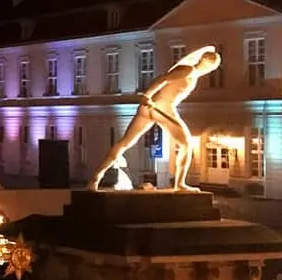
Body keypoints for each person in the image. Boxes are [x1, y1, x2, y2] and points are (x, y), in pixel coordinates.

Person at [89, 45, 221, 192]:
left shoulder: (192, 74)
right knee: (186, 144)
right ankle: (180, 184)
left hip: (150, 109)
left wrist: (148, 97)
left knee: (125, 143)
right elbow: (163, 78)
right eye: (212, 68)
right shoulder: (188, 70)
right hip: (161, 107)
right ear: (208, 65)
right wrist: (147, 95)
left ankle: (96, 178)